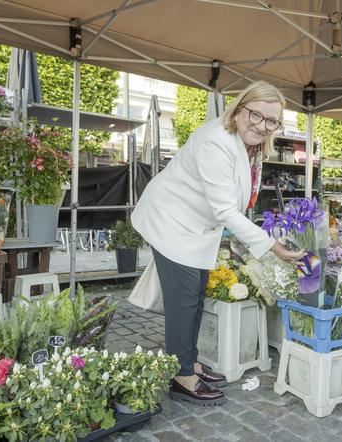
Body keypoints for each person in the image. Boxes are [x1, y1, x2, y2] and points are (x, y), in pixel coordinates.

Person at [131, 81, 305, 406]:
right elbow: (225, 209)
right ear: (239, 110)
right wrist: (274, 248)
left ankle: (189, 360)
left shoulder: (247, 144)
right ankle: (181, 376)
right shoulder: (216, 142)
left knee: (195, 296)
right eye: (256, 115)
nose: (262, 125)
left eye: (271, 121)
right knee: (184, 301)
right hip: (172, 222)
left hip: (195, 226)